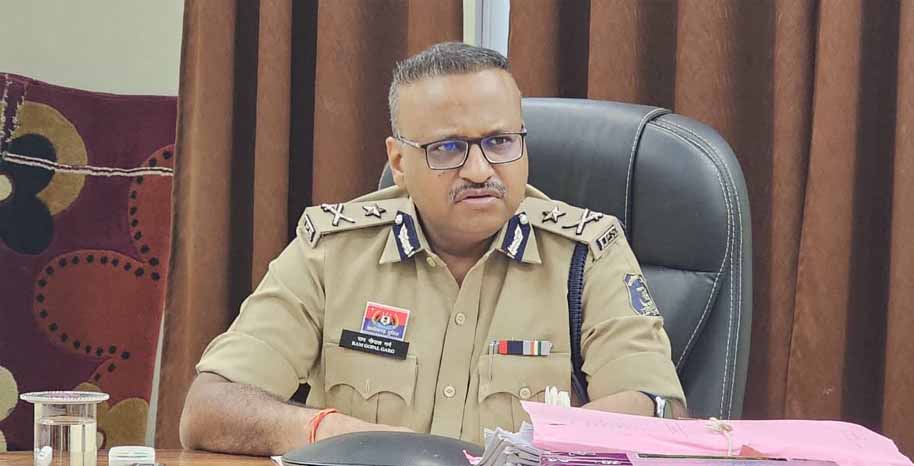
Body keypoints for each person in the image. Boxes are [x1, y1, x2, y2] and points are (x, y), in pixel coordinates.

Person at [179, 42, 686, 457]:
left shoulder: (587, 254)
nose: (480, 171)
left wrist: (545, 447)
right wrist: (334, 433)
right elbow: (209, 407)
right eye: (448, 148)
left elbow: (660, 409)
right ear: (399, 162)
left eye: (501, 142)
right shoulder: (332, 251)